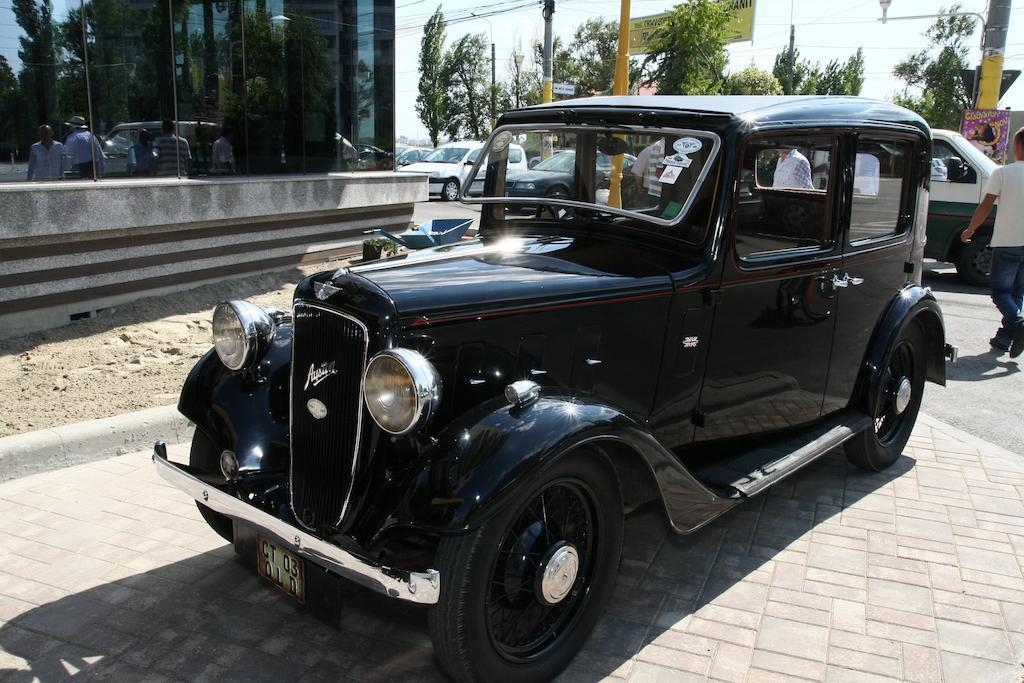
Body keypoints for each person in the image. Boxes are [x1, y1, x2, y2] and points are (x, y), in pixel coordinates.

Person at [961, 126, 1024, 357]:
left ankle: (1017, 322)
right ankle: (1004, 339)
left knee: (1000, 292)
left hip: (1008, 242)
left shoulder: (1002, 173)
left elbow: (986, 205)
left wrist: (971, 229)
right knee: (1017, 293)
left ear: (1017, 146)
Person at [64, 115, 104, 179]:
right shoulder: (91, 136)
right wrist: (101, 169)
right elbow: (99, 153)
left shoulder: (72, 137)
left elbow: (69, 156)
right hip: (92, 167)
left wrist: (66, 170)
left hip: (78, 167)